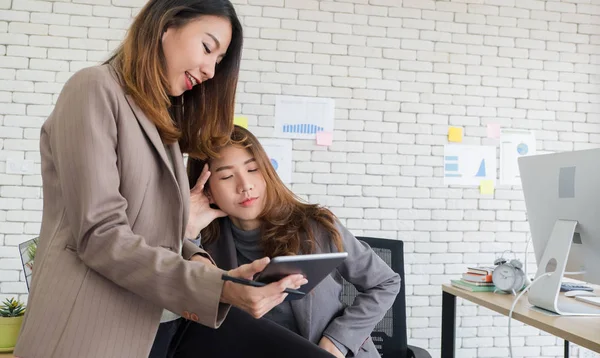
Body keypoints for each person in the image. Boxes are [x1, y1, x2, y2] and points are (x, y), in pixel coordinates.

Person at [13, 2, 306, 358]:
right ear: (166, 25)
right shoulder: (93, 88)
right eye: (207, 48)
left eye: (219, 60)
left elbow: (154, 234)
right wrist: (220, 289)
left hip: (157, 325)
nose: (212, 70)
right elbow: (100, 235)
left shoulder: (161, 122)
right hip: (90, 329)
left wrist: (210, 269)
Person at [178, 126, 401, 358]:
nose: (245, 185)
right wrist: (190, 231)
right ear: (207, 191)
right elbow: (187, 315)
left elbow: (385, 282)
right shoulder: (204, 244)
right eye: (226, 176)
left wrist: (337, 340)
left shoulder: (315, 226)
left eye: (253, 169)